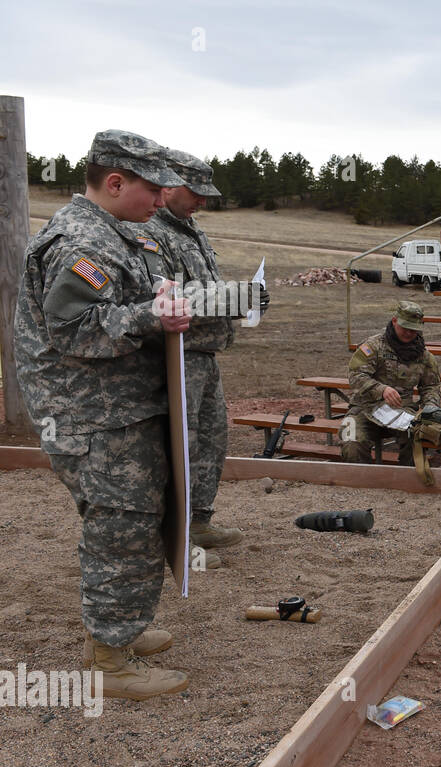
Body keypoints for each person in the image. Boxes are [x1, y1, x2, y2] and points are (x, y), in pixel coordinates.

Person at [12, 129, 192, 700]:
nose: (162, 202)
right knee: (121, 525)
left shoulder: (114, 234)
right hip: (92, 416)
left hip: (115, 409)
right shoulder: (81, 243)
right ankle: (109, 660)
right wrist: (150, 319)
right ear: (115, 183)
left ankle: (115, 635)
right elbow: (73, 330)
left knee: (133, 519)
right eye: (153, 190)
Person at [142, 148, 264, 568]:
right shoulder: (149, 231)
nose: (202, 201)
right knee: (178, 444)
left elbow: (203, 286)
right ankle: (170, 531)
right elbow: (168, 295)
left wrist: (239, 297)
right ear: (169, 185)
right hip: (176, 355)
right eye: (196, 192)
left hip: (204, 354)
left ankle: (199, 520)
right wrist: (239, 296)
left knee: (211, 439)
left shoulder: (190, 229)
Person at [341, 301, 441, 464]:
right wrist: (381, 389)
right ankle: (361, 485)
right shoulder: (374, 346)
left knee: (417, 439)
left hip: (403, 410)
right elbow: (356, 375)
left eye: (413, 329)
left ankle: (407, 482)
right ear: (394, 321)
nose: (409, 333)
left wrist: (430, 407)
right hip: (365, 408)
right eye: (405, 327)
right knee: (351, 440)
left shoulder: (423, 355)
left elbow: (431, 386)